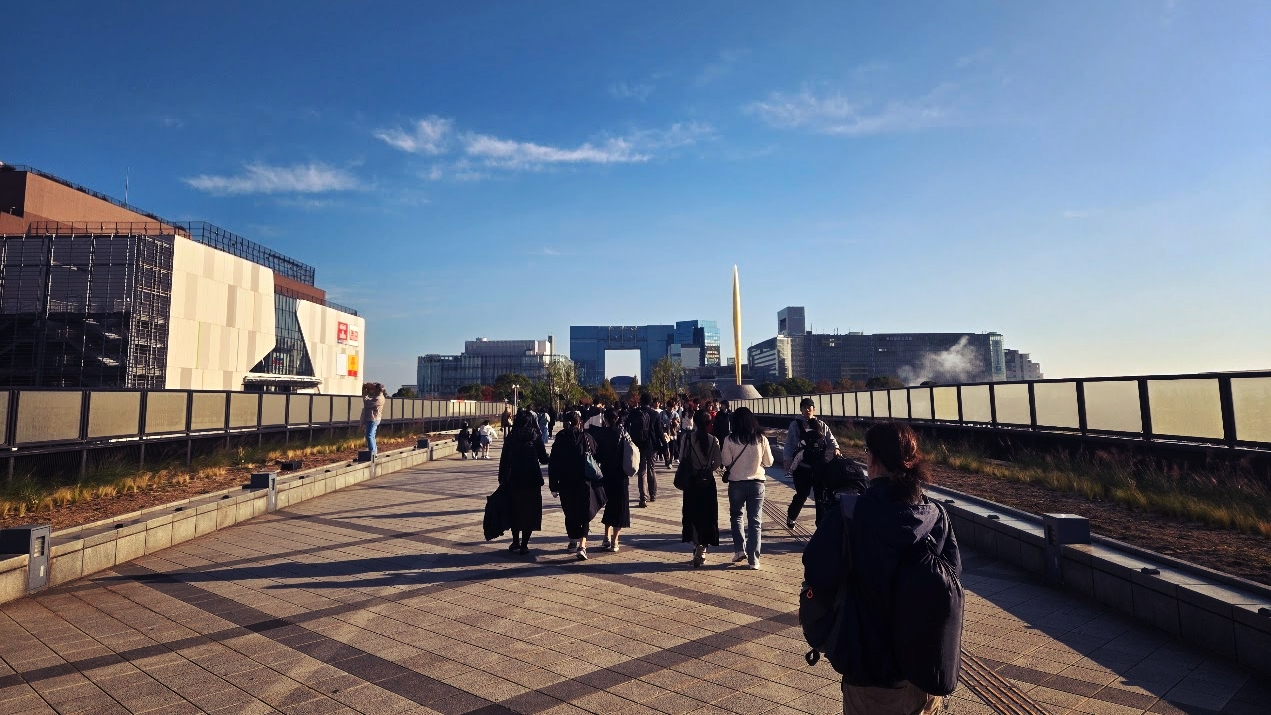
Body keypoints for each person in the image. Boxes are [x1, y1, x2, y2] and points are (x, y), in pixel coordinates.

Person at [801, 422, 960, 715]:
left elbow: (817, 572)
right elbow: (952, 575)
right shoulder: (935, 515)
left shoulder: (848, 514)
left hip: (869, 670)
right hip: (924, 669)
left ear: (872, 460)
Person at [719, 407, 773, 570]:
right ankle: (754, 559)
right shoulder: (761, 438)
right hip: (757, 483)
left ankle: (739, 550)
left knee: (736, 517)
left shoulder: (730, 439)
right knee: (755, 521)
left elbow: (726, 462)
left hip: (736, 483)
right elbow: (769, 462)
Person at [549, 412, 601, 560]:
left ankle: (572, 540)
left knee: (569, 512)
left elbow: (553, 463)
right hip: (584, 481)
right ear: (579, 423)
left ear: (566, 423)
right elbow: (596, 453)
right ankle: (582, 546)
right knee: (584, 513)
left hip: (565, 482)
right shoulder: (586, 437)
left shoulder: (560, 439)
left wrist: (553, 485)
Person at [498, 412, 549, 554]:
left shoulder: (511, 438)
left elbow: (504, 460)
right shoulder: (535, 437)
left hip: (514, 479)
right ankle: (524, 545)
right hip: (532, 479)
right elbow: (544, 459)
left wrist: (502, 478)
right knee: (530, 511)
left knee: (515, 510)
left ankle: (515, 541)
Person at [784, 397, 841, 528]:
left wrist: (836, 449)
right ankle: (791, 515)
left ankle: (820, 525)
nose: (808, 409)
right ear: (801, 410)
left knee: (820, 497)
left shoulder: (821, 424)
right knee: (802, 495)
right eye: (805, 407)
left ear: (814, 409)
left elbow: (831, 439)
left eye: (810, 407)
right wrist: (787, 459)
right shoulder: (795, 425)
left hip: (819, 466)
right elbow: (789, 444)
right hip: (802, 467)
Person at [678, 408, 722, 567]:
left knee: (692, 514)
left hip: (691, 482)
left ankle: (696, 545)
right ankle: (703, 548)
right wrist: (708, 467)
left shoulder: (687, 438)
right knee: (707, 515)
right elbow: (718, 463)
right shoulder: (714, 440)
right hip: (708, 482)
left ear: (694, 422)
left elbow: (682, 457)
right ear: (709, 423)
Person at [588, 408, 630, 552]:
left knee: (609, 505)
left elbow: (595, 456)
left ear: (604, 419)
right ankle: (615, 541)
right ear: (617, 419)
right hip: (621, 474)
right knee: (620, 507)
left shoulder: (599, 435)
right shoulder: (623, 433)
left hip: (605, 473)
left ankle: (606, 536)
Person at [627, 393, 666, 507]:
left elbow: (627, 427)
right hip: (651, 445)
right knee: (651, 469)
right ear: (650, 402)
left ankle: (643, 497)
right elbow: (659, 432)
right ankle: (653, 494)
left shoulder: (634, 413)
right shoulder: (655, 414)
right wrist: (664, 446)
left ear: (640, 400)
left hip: (638, 445)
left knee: (642, 471)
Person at [360, 382, 386, 457]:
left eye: (375, 388)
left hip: (373, 419)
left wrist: (365, 392)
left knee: (369, 435)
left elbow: (367, 403)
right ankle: (374, 452)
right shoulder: (379, 397)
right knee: (372, 435)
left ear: (378, 389)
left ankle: (372, 453)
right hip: (375, 418)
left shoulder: (378, 398)